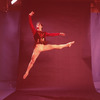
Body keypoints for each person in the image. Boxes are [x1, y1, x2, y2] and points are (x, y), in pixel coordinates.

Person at [23, 11, 75, 79]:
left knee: (57, 46)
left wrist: (59, 33)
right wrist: (29, 16)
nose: (37, 26)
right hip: (37, 48)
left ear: (41, 26)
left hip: (44, 47)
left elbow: (51, 34)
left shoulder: (44, 33)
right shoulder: (34, 31)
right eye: (36, 25)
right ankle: (27, 72)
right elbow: (30, 24)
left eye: (38, 25)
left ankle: (67, 45)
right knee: (32, 61)